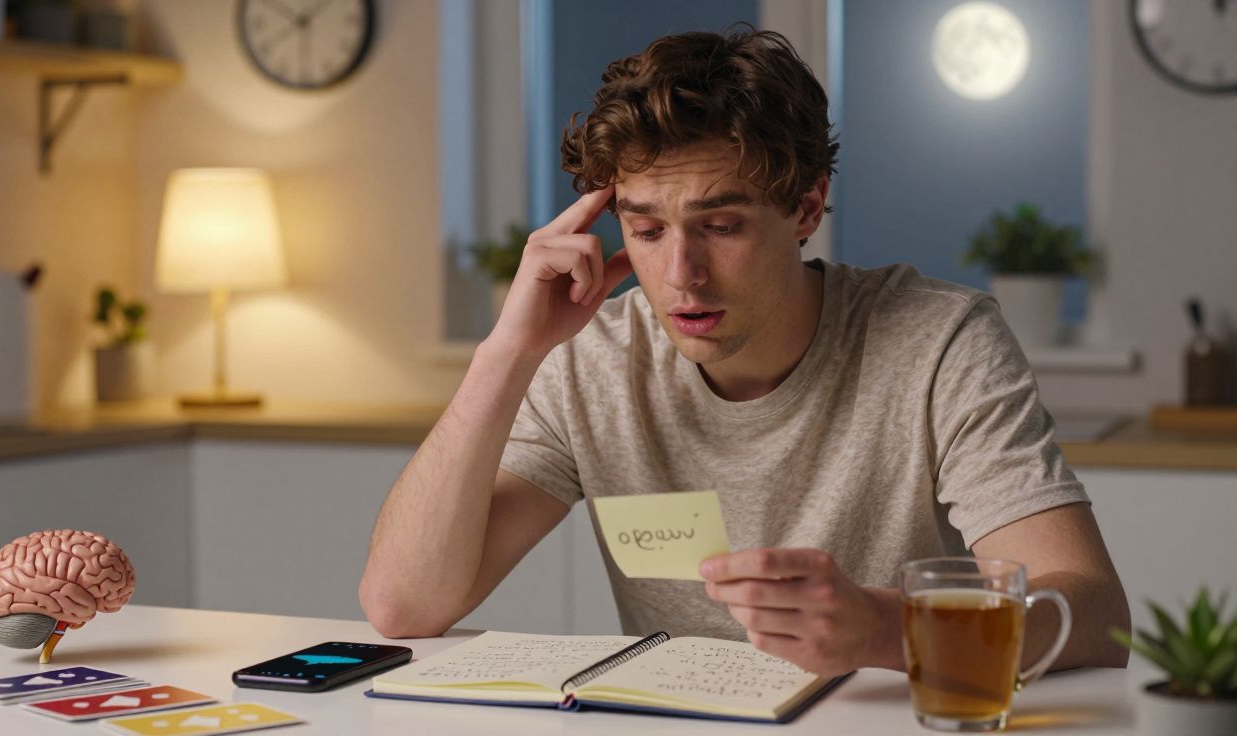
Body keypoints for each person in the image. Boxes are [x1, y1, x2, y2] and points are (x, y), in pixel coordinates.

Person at [359, 28, 1130, 677]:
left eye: (721, 226)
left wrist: (884, 630)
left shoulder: (939, 340)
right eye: (647, 229)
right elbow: (404, 605)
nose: (680, 276)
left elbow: (1092, 609)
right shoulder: (588, 358)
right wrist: (506, 353)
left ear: (806, 207)